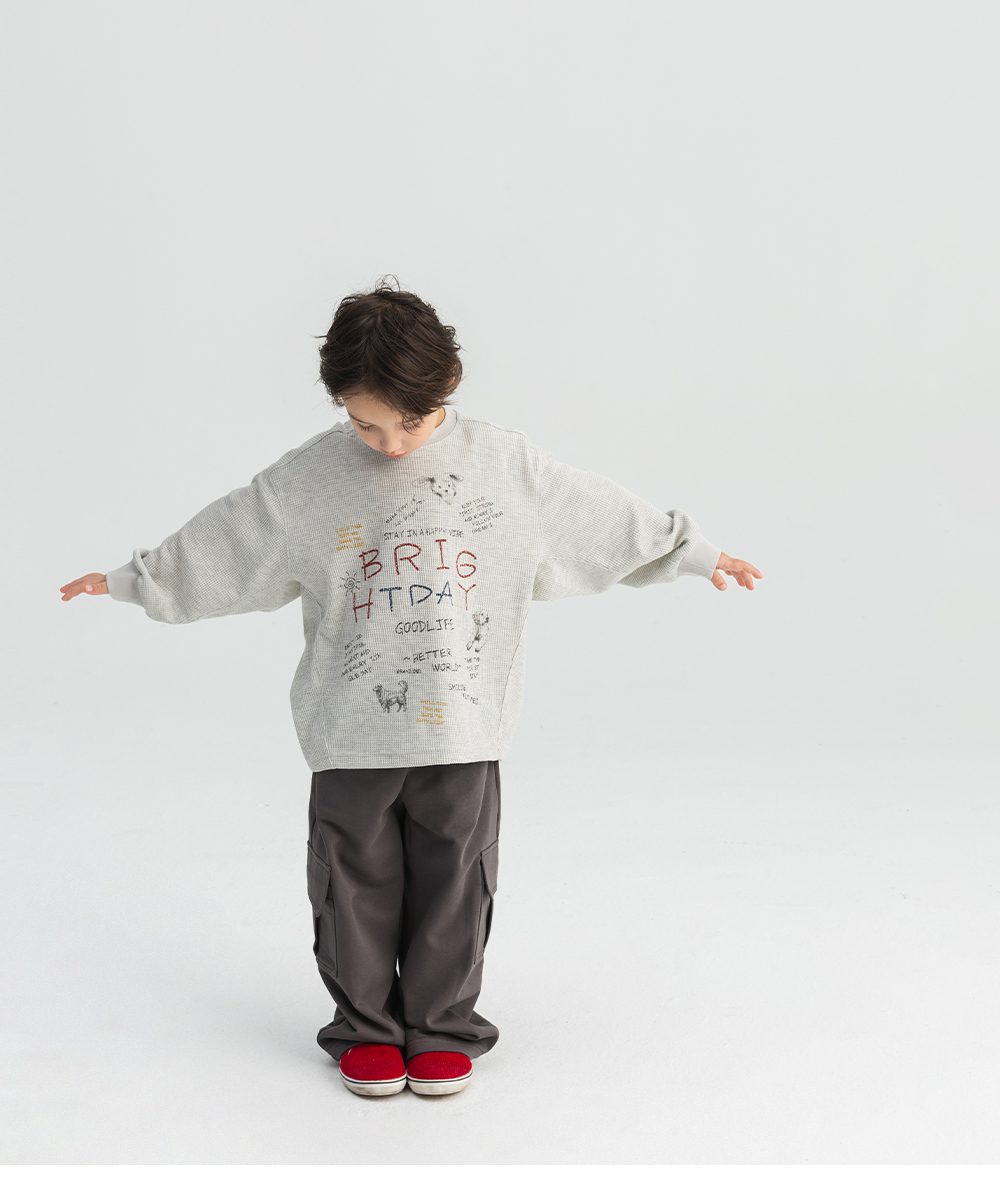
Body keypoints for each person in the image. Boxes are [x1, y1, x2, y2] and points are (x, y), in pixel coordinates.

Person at [60, 280, 763, 1098]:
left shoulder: (508, 467)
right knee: (350, 880)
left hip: (462, 728)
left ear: (448, 384)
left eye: (410, 422)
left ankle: (440, 1025)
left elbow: (598, 518)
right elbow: (226, 541)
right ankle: (365, 1027)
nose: (390, 445)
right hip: (350, 730)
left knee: (455, 880)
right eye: (366, 425)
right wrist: (133, 580)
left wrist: (693, 552)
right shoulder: (306, 481)